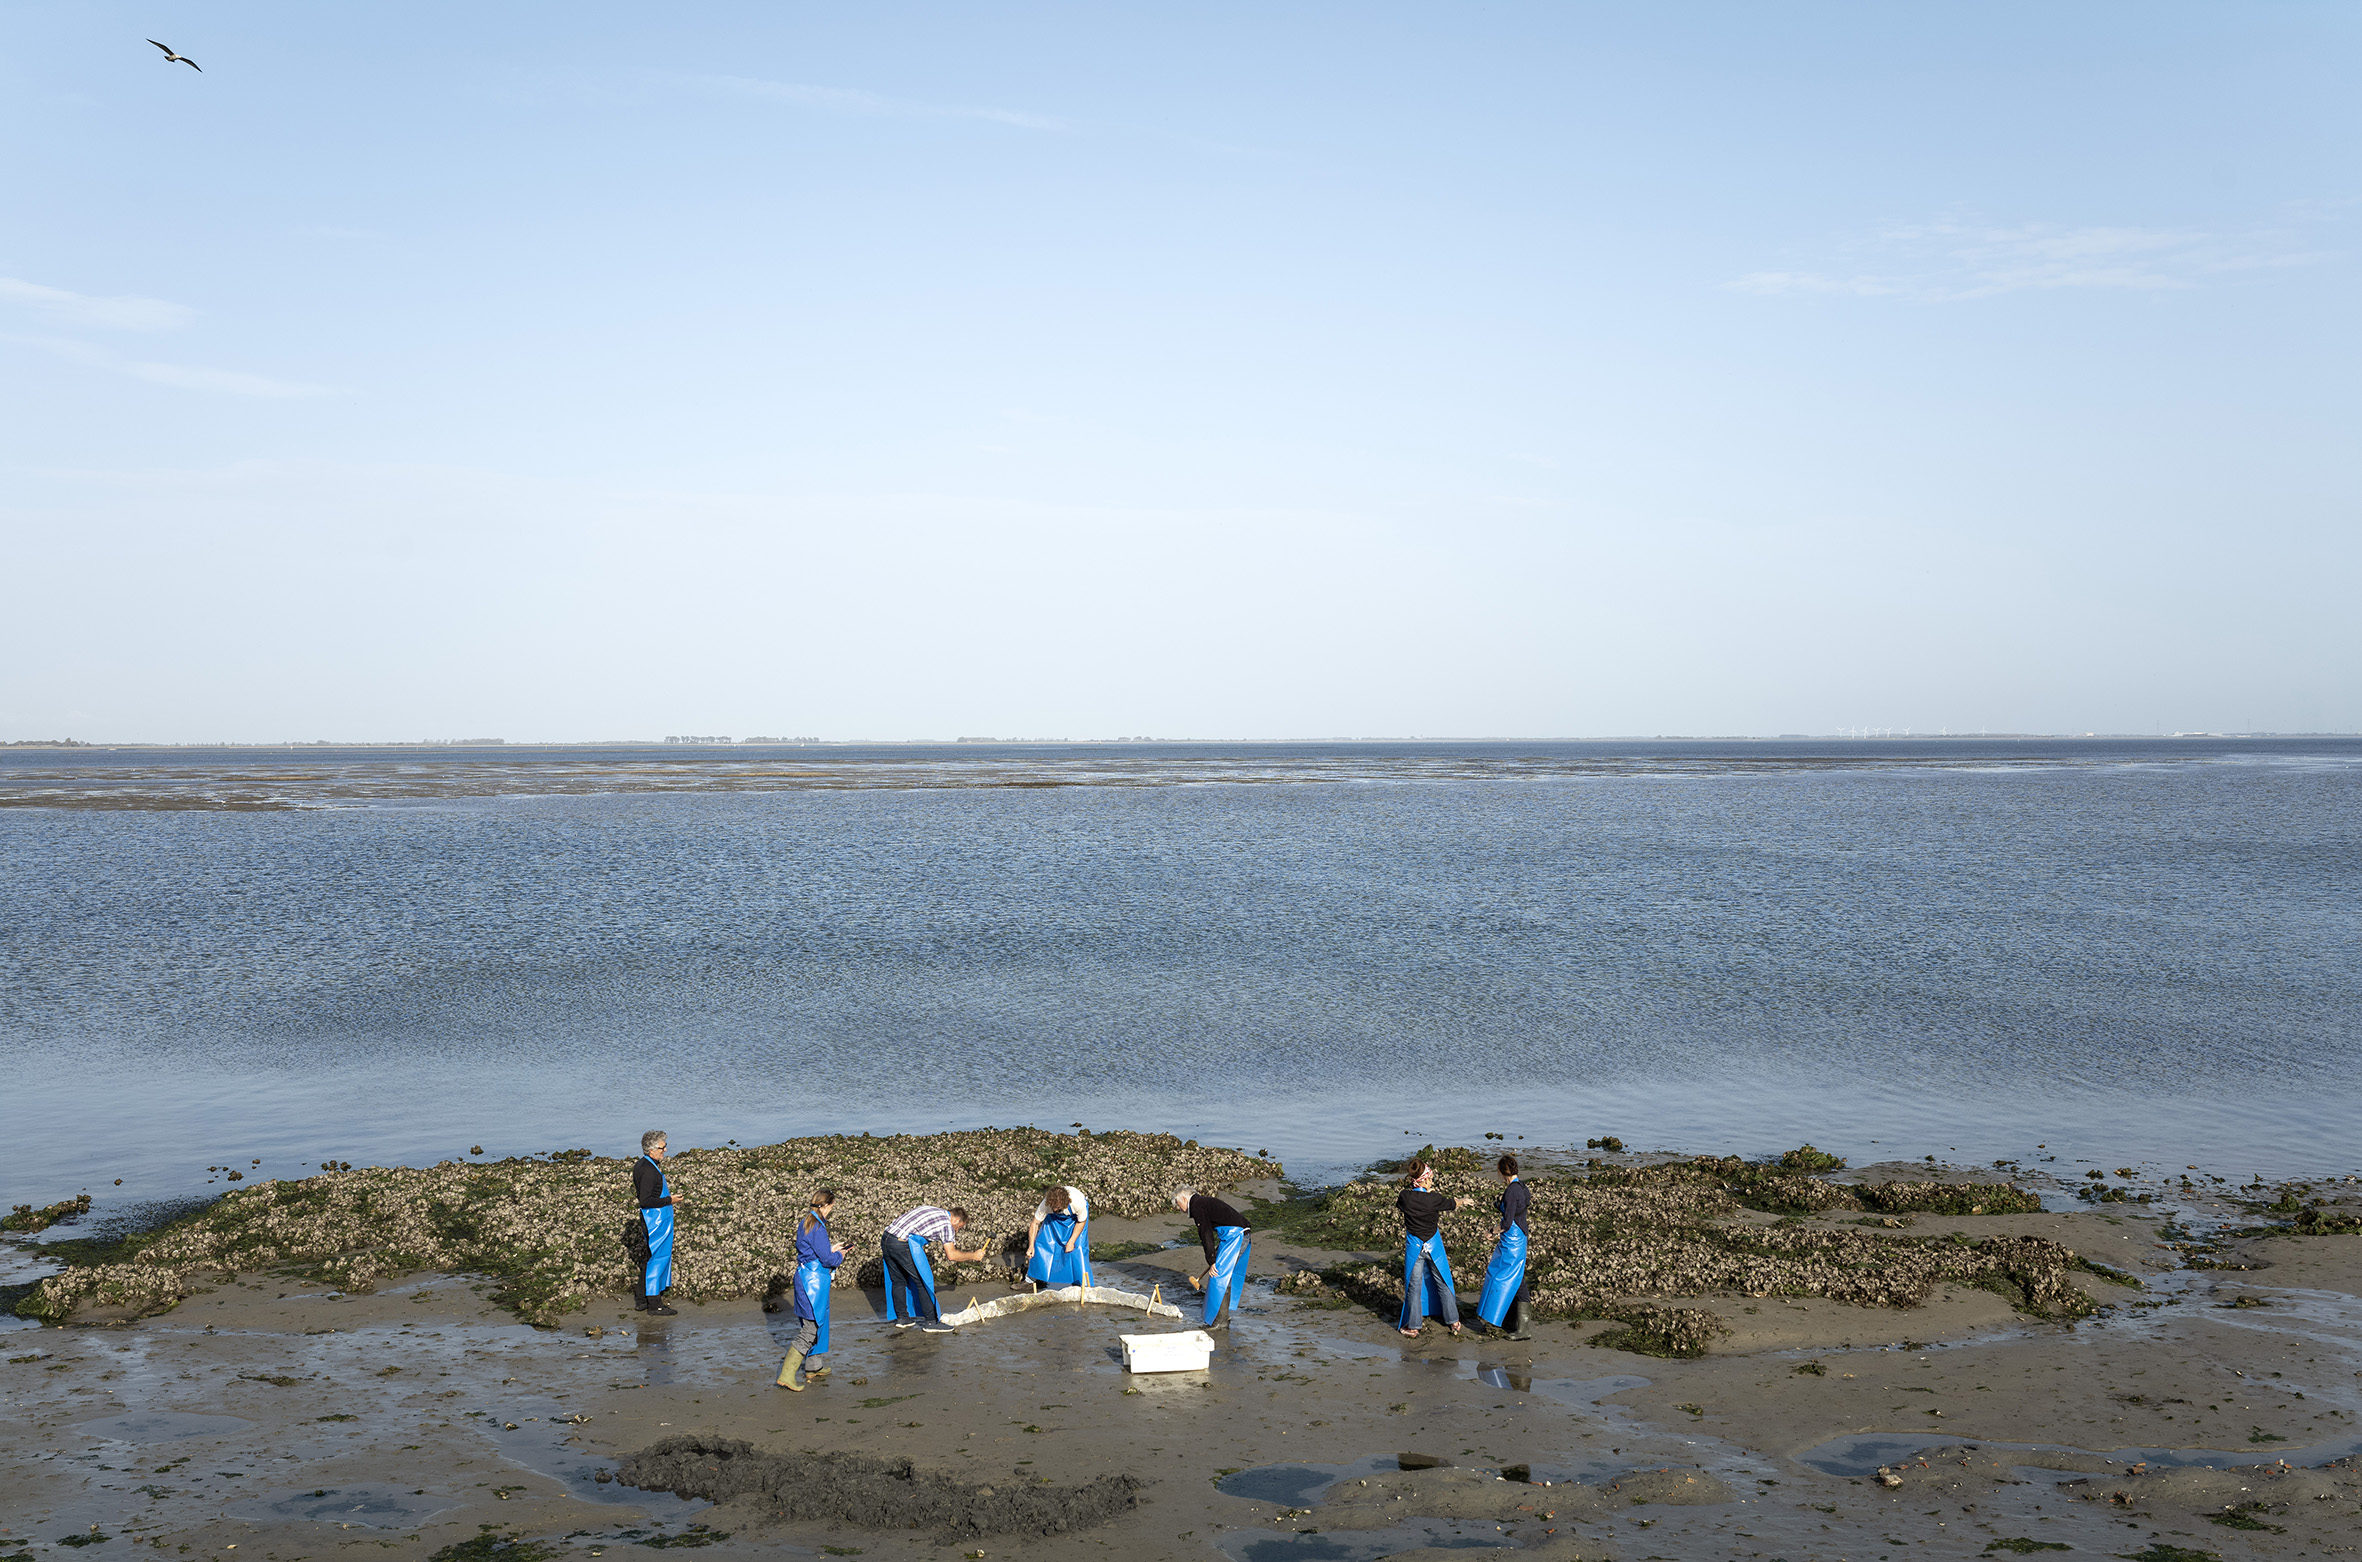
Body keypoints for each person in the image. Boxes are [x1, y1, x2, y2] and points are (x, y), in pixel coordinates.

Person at [881, 1204, 988, 1334]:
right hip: (900, 1243)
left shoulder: (933, 1210)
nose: (957, 1231)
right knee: (922, 1281)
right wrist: (974, 1255)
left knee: (898, 1280)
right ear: (956, 1220)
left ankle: (902, 1318)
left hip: (887, 1237)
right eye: (959, 1228)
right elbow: (951, 1255)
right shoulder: (947, 1225)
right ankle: (931, 1322)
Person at [776, 1189, 844, 1390]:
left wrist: (831, 1249)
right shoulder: (817, 1226)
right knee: (811, 1327)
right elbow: (827, 1259)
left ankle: (814, 1367)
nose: (832, 1210)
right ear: (825, 1205)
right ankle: (786, 1375)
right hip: (813, 1282)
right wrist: (840, 1255)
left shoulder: (807, 1221)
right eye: (832, 1206)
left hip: (805, 1276)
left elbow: (814, 1251)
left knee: (816, 1321)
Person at [1395, 1157, 1468, 1338]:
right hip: (1433, 1244)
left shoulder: (1405, 1197)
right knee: (1443, 1281)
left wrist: (1423, 1191)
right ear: (1425, 1179)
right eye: (1431, 1178)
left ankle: (1413, 1326)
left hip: (1414, 1246)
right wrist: (1463, 1201)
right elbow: (1451, 1203)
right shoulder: (1434, 1199)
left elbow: (1403, 1203)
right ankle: (1453, 1321)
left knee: (1414, 1285)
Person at [1172, 1186, 1251, 1330]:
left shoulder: (1197, 1207)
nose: (1179, 1208)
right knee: (1223, 1276)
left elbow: (1206, 1234)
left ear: (1184, 1199)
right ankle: (1222, 1319)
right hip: (1236, 1234)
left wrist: (1212, 1260)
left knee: (1218, 1276)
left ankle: (1219, 1322)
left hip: (1236, 1236)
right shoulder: (1202, 1202)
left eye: (1178, 1204)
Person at [1475, 1154, 1532, 1341]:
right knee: (1515, 1278)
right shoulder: (1523, 1187)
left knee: (1503, 1277)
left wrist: (1492, 1231)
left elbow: (1507, 1223)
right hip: (1520, 1236)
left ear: (1501, 1172)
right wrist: (1501, 1206)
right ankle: (1510, 1322)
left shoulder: (1511, 1192)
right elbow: (1517, 1210)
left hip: (1512, 1241)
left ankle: (1520, 1328)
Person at [633, 1130, 678, 1316]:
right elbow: (645, 1201)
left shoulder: (642, 1165)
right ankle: (655, 1304)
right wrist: (670, 1200)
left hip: (652, 1220)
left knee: (650, 1257)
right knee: (657, 1259)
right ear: (651, 1150)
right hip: (655, 1222)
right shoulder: (650, 1171)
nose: (665, 1150)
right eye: (662, 1147)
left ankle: (642, 1299)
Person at [1027, 1184, 1092, 1288]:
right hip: (1054, 1219)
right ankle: (1034, 1279)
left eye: (1058, 1207)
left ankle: (1080, 1283)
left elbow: (1081, 1222)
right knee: (1041, 1243)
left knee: (1078, 1248)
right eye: (1053, 1207)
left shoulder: (1078, 1203)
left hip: (1076, 1220)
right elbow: (1034, 1223)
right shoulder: (1046, 1204)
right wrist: (1031, 1246)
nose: (1055, 1209)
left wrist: (1071, 1241)